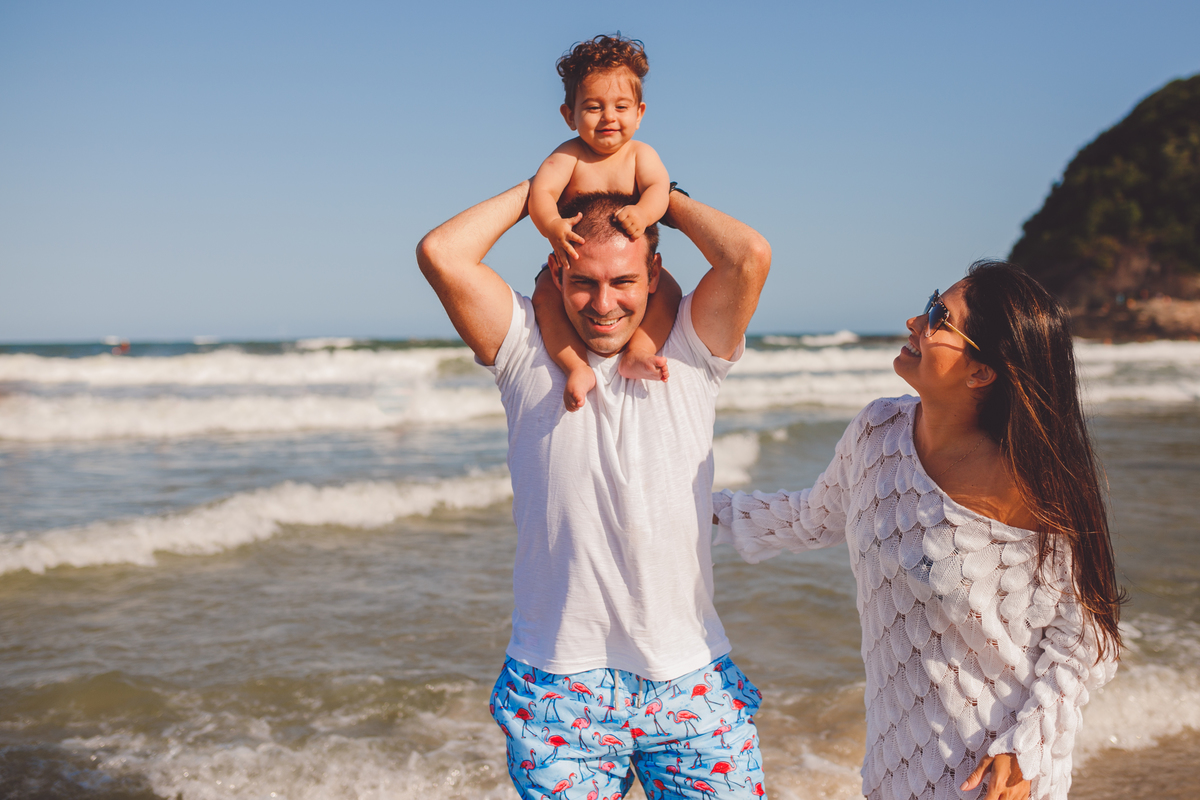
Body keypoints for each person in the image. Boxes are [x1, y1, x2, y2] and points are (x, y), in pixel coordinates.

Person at [713, 262, 1123, 800]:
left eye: (938, 318)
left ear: (981, 372)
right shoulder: (878, 431)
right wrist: (679, 510)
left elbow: (1087, 640)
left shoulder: (1030, 486)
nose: (914, 320)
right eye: (932, 302)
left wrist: (1027, 746)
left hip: (1001, 775)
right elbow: (809, 518)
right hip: (892, 769)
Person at [417, 185, 771, 800]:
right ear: (556, 270)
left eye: (624, 282)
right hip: (557, 688)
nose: (603, 304)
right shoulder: (524, 345)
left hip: (688, 678)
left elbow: (748, 256)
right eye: (582, 283)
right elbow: (442, 251)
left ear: (654, 271)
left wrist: (657, 197)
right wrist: (546, 190)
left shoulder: (688, 344)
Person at [529, 34, 674, 412]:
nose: (609, 116)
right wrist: (553, 227)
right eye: (593, 107)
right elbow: (540, 195)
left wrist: (643, 213)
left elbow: (661, 190)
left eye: (621, 106)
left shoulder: (641, 155)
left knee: (668, 293)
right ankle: (576, 366)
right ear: (569, 115)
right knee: (544, 298)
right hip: (573, 264)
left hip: (627, 262)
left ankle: (639, 352)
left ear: (639, 113)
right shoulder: (568, 156)